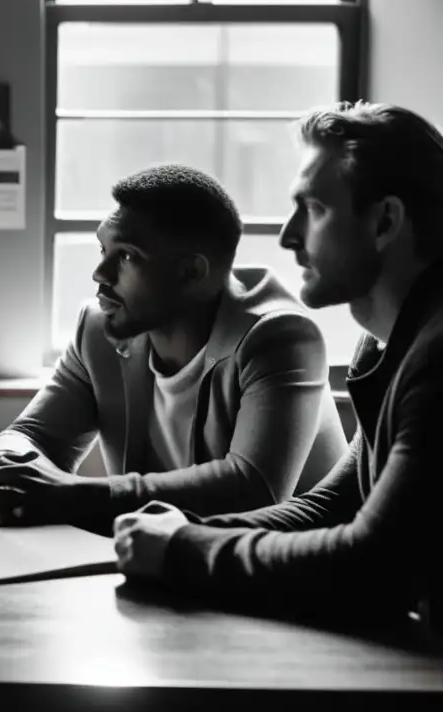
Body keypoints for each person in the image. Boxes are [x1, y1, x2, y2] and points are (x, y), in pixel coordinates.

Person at [112, 102, 443, 630]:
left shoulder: (436, 356)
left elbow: (373, 562)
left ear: (385, 222)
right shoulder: (386, 343)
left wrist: (182, 549)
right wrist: (187, 529)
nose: (289, 235)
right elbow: (332, 507)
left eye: (312, 208)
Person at [0, 164, 347, 532]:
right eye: (102, 250)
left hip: (287, 581)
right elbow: (33, 435)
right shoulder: (98, 330)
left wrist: (67, 495)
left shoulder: (281, 338)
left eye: (127, 256)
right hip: (165, 565)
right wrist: (5, 470)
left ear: (191, 273)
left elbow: (253, 489)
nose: (100, 274)